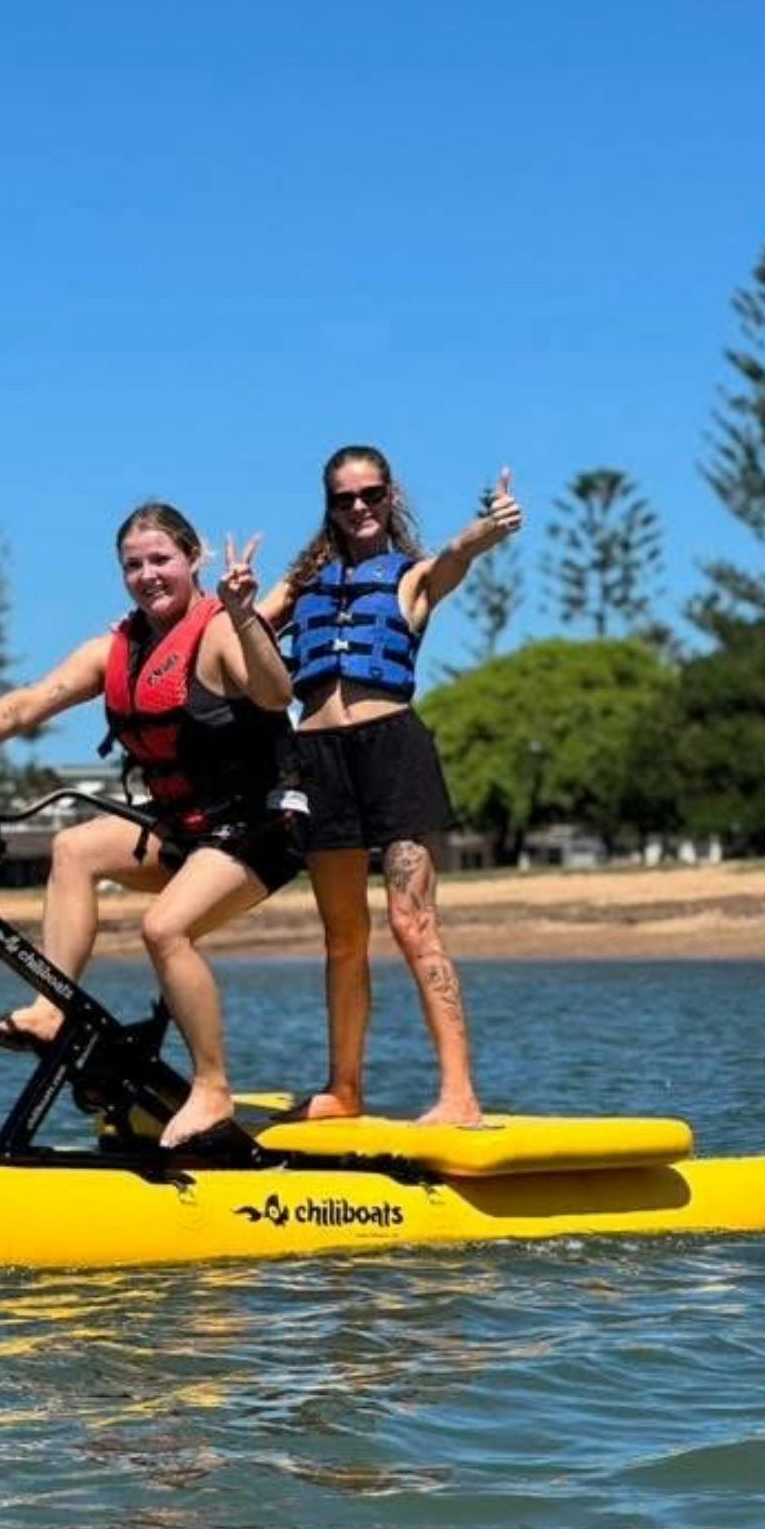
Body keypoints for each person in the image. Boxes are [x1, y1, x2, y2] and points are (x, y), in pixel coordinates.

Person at [0, 504, 302, 1149]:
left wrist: (242, 614)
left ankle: (212, 1089)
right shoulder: (114, 649)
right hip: (184, 828)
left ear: (192, 559)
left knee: (165, 928)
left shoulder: (222, 633)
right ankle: (50, 1008)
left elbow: (274, 694)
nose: (148, 574)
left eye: (160, 560)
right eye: (133, 564)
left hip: (260, 827)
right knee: (74, 847)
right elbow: (31, 701)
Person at [259, 445, 524, 1126]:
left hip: (392, 751)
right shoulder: (304, 582)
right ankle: (343, 1089)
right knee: (342, 936)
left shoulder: (412, 577)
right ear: (330, 505)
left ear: (389, 495)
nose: (358, 508)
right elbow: (246, 630)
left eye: (369, 494)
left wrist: (484, 530)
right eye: (344, 498)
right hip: (318, 757)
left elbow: (456, 559)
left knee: (413, 923)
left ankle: (460, 1093)